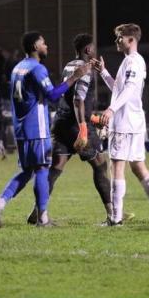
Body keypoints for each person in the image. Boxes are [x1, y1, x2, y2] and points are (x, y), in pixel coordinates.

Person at [0, 31, 91, 227]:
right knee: (42, 169)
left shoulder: (18, 68)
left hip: (21, 128)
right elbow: (52, 95)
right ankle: (42, 218)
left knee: (27, 171)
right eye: (43, 43)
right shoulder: (37, 69)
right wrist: (75, 77)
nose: (47, 46)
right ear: (35, 47)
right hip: (37, 128)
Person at [26, 33, 113, 225]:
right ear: (88, 50)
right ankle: (112, 214)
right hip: (76, 125)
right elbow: (78, 99)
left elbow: (68, 97)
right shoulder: (85, 69)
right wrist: (83, 126)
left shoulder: (68, 66)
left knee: (55, 169)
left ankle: (37, 213)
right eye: (94, 48)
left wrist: (92, 117)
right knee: (100, 165)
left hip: (61, 123)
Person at [93, 23, 149, 225]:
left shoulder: (133, 62)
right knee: (138, 167)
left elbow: (128, 90)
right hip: (134, 122)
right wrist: (103, 72)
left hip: (124, 123)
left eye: (119, 37)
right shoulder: (130, 61)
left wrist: (111, 110)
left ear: (130, 39)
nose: (116, 41)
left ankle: (115, 219)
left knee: (116, 167)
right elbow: (119, 89)